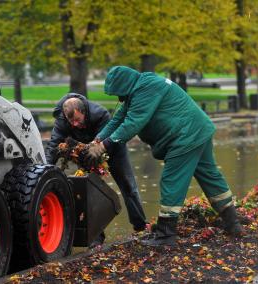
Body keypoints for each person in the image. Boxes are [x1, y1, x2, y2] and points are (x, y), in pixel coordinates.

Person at [85, 66, 244, 247]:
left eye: (119, 93)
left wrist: (105, 146)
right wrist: (97, 140)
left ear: (125, 86)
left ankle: (166, 234)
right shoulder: (138, 88)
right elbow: (117, 120)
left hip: (185, 136)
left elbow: (133, 122)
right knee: (210, 177)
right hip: (198, 130)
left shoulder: (146, 88)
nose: (118, 98)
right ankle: (233, 223)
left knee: (171, 180)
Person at [45, 93, 147, 247]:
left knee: (128, 186)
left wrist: (99, 153)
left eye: (77, 120)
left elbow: (111, 138)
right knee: (88, 192)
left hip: (112, 147)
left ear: (84, 112)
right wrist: (46, 168)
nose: (74, 125)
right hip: (85, 153)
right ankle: (96, 237)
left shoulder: (100, 114)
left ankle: (140, 226)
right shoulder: (62, 121)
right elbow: (53, 145)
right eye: (70, 121)